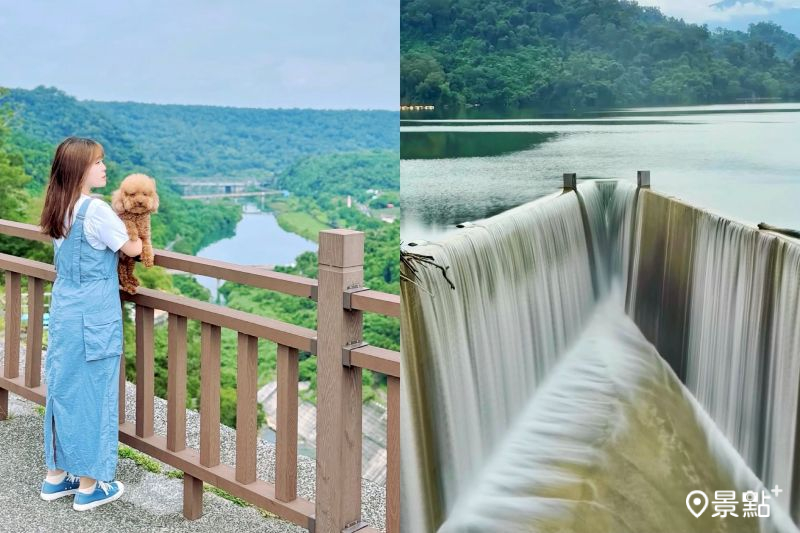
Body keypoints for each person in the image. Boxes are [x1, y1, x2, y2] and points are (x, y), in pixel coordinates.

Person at [37, 136, 142, 511]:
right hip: (95, 313)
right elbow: (132, 250)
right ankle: (89, 485)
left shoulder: (59, 205)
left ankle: (55, 478)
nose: (104, 168)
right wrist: (140, 238)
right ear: (81, 169)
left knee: (63, 390)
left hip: (65, 308)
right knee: (95, 395)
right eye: (98, 163)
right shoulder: (96, 211)